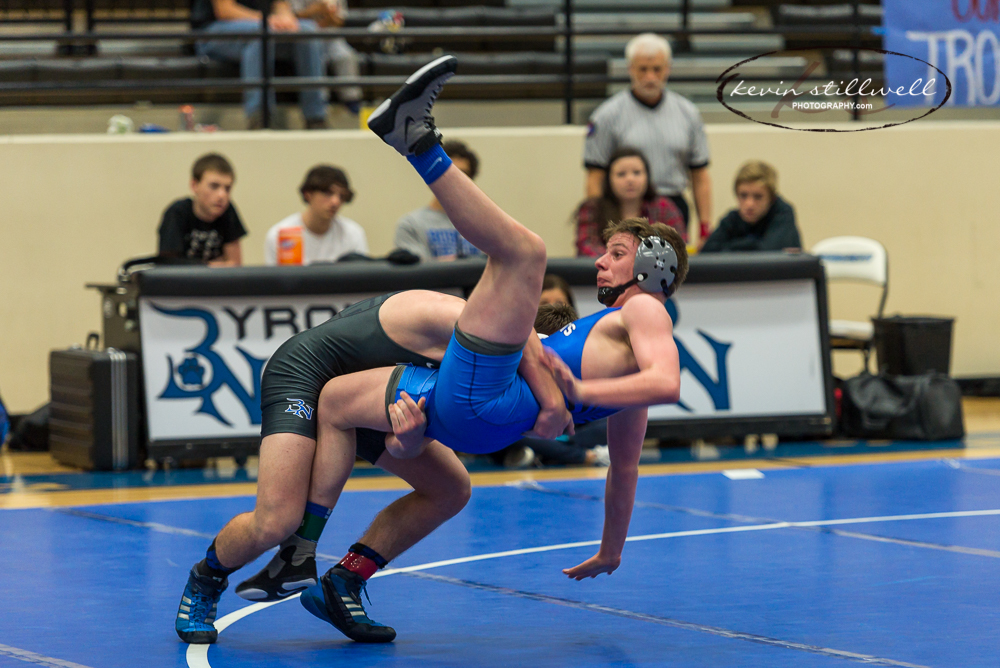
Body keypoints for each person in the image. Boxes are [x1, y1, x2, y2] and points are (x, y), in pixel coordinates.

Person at [174, 58, 570, 646]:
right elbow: (528, 348)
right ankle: (206, 578)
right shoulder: (461, 322)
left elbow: (408, 431)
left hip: (358, 398)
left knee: (452, 488)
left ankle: (343, 582)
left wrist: (407, 440)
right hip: (306, 374)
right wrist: (557, 401)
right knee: (277, 519)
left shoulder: (487, 371)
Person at [583, 33, 712, 244]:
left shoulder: (688, 113)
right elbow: (595, 176)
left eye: (657, 69)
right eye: (643, 69)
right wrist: (596, 223)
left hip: (673, 207)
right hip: (624, 208)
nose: (650, 77)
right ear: (630, 69)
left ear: (668, 69)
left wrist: (705, 228)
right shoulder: (606, 116)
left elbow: (700, 175)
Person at [191, 0, 329, 129]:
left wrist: (285, 18)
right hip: (214, 31)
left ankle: (315, 117)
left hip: (264, 26)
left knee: (307, 31)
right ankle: (260, 118)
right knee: (260, 33)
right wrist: (267, 20)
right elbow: (225, 11)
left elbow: (280, 4)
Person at [575, 147, 686, 257]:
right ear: (609, 179)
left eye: (637, 173)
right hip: (603, 267)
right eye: (621, 174)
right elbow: (587, 247)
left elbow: (678, 245)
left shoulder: (664, 206)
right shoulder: (592, 208)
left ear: (647, 176)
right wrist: (625, 260)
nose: (630, 179)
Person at [392, 140, 484, 261]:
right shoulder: (411, 225)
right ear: (432, 176)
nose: (456, 181)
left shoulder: (485, 225)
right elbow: (419, 270)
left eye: (463, 174)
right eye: (448, 173)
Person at [264, 165, 368, 265]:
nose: (336, 202)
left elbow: (361, 276)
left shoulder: (353, 234)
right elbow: (277, 277)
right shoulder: (280, 235)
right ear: (308, 194)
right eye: (328, 193)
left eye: (341, 196)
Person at [157, 153, 246, 266]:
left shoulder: (228, 211)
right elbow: (169, 267)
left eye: (227, 189)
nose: (222, 195)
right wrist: (213, 265)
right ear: (194, 185)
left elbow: (235, 265)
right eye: (214, 186)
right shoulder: (177, 213)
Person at [701, 160, 802, 253]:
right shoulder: (732, 219)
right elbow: (706, 255)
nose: (749, 204)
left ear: (771, 199)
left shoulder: (783, 214)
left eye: (758, 197)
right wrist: (752, 244)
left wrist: (731, 247)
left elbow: (769, 254)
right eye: (743, 195)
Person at [288, 0, 363, 113]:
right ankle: (321, 101)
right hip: (306, 39)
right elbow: (292, 19)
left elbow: (340, 22)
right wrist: (314, 10)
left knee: (346, 56)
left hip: (332, 38)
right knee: (316, 59)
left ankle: (351, 100)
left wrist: (329, 14)